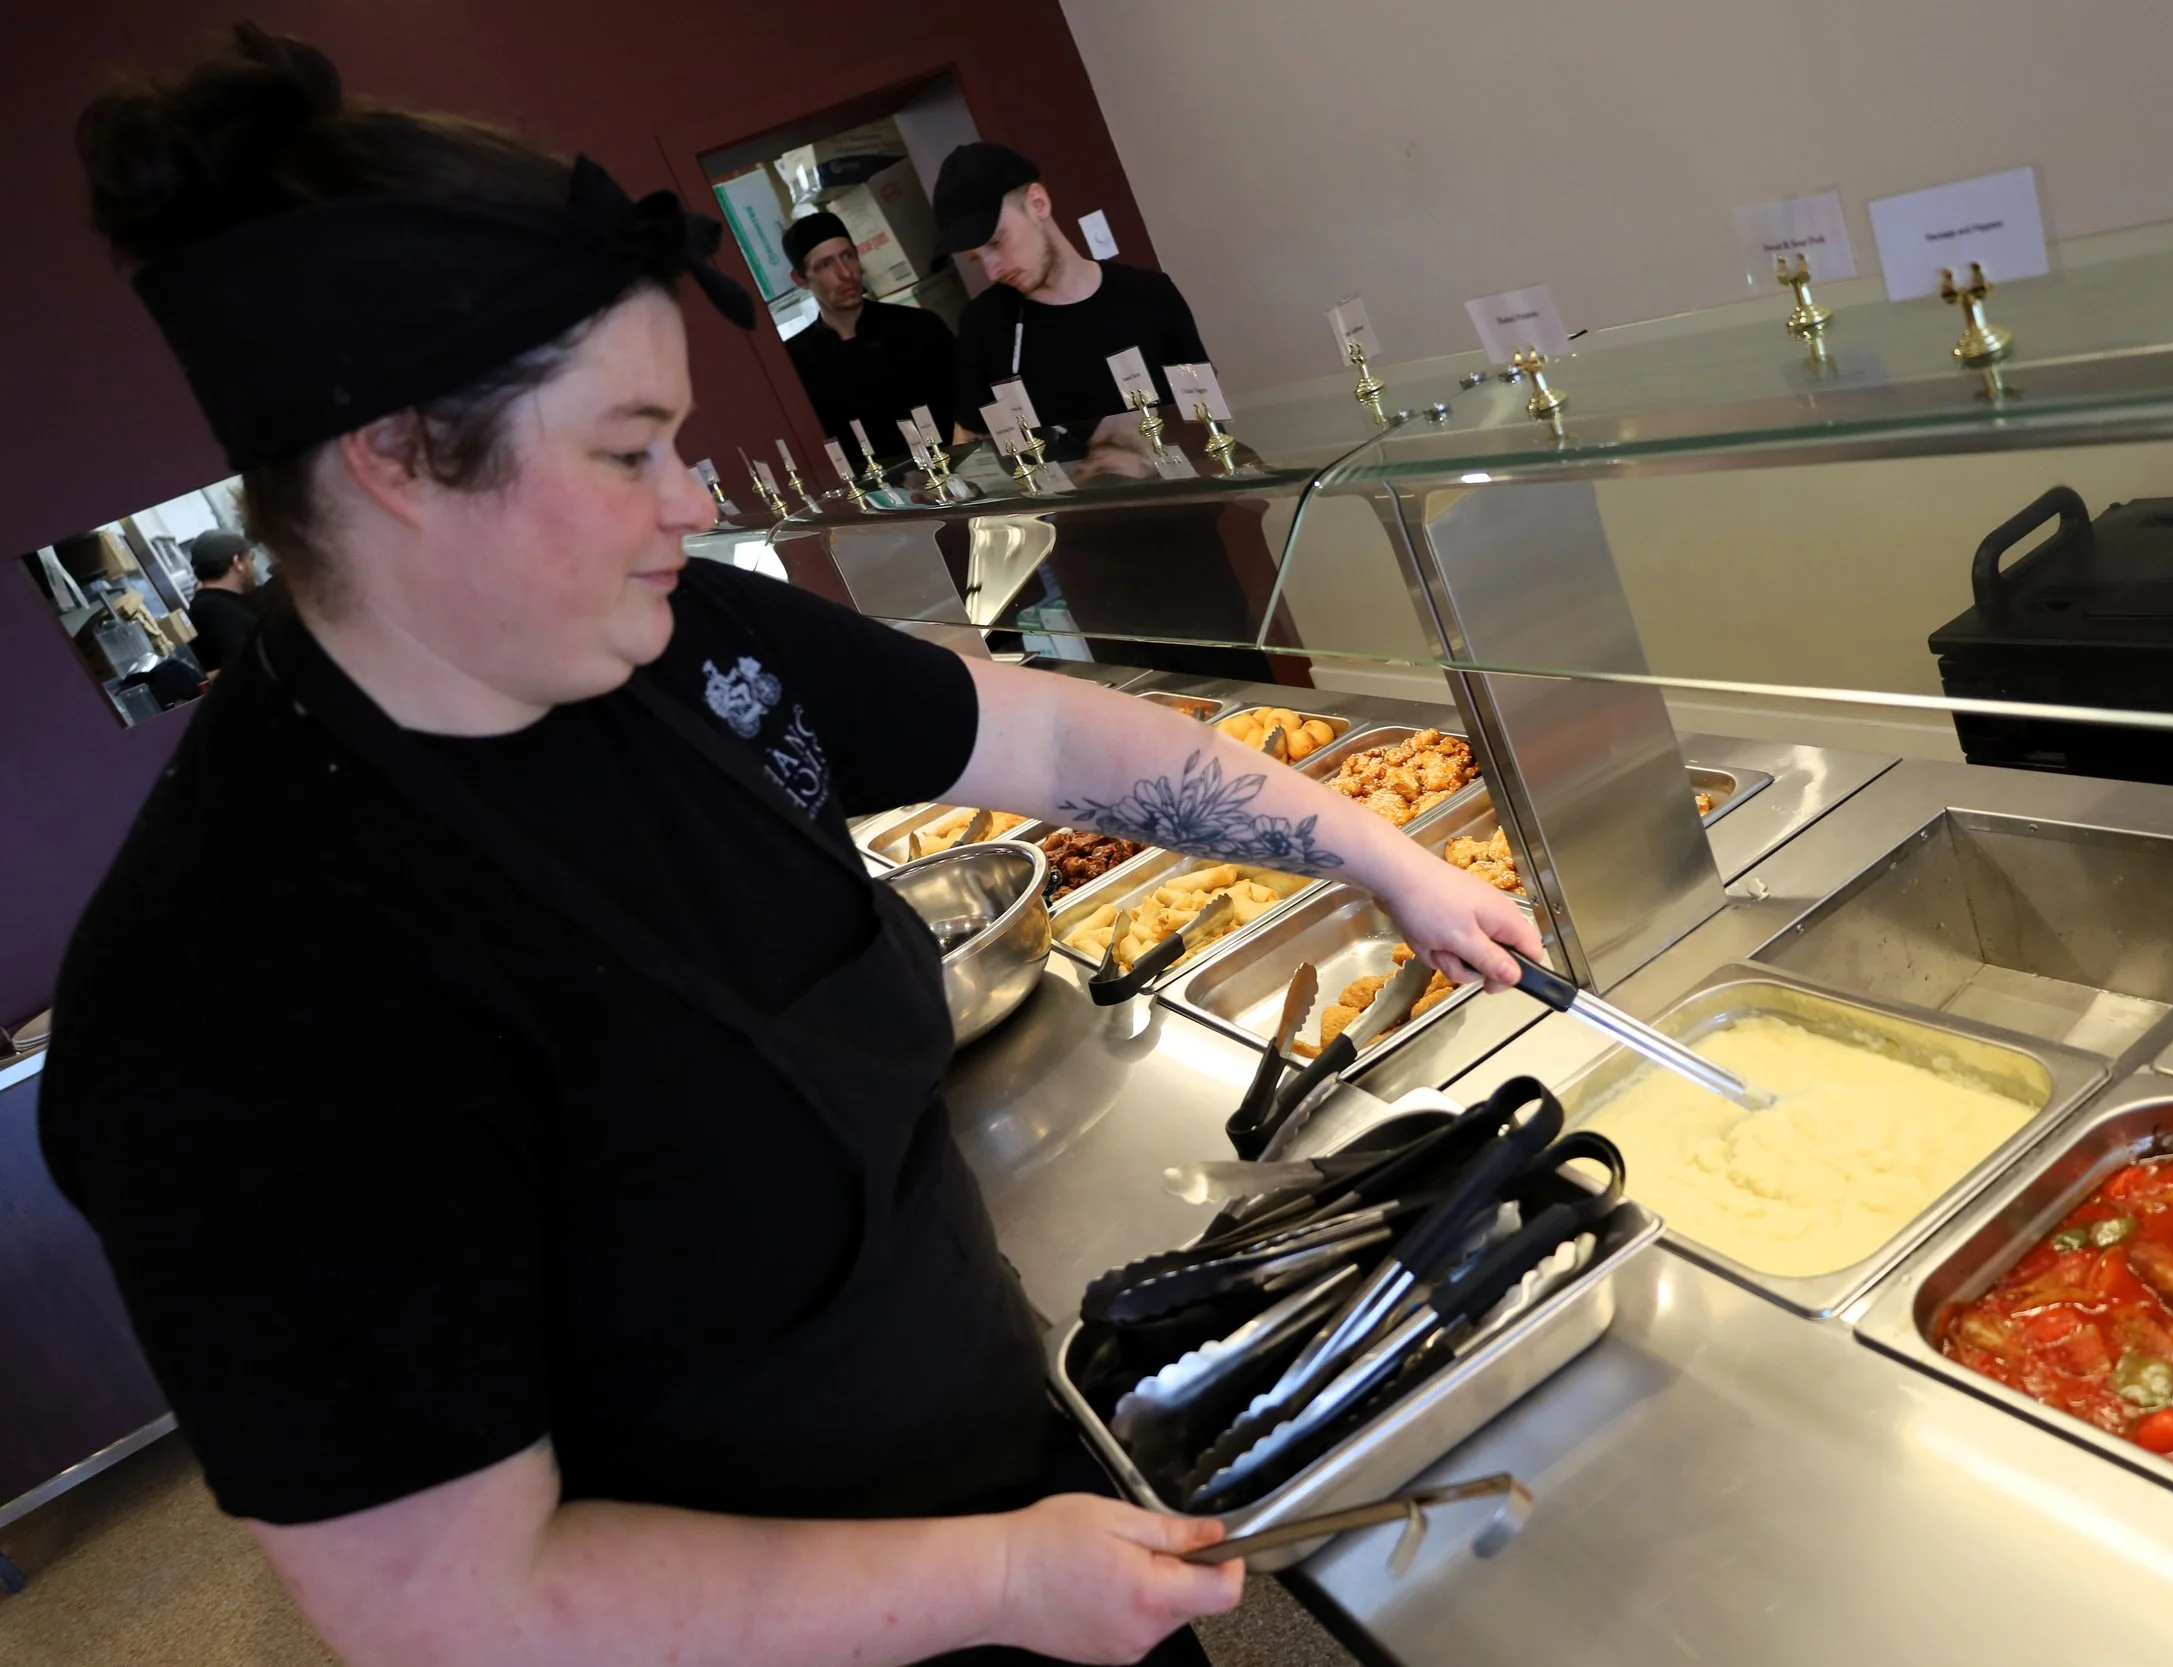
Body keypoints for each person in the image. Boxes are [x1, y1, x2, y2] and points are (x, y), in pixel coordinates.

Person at [41, 27, 1538, 1667]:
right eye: (627, 451)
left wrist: (1361, 848)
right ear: (393, 456)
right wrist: (995, 1585)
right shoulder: (231, 1002)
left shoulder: (674, 639)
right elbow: (457, 1608)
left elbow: (1025, 729)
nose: (690, 503)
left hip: (1022, 1493)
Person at [938, 143, 1207, 437]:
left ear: (1037, 204)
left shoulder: (1151, 294)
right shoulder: (983, 325)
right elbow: (970, 440)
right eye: (976, 259)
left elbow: (1204, 415)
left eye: (996, 243)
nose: (992, 271)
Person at [779, 210, 956, 471]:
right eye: (825, 264)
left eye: (848, 256)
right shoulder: (795, 361)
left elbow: (966, 412)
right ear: (801, 279)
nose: (845, 273)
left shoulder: (920, 327)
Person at [182, 528, 262, 673]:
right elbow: (247, 666)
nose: (252, 565)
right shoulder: (214, 610)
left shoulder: (216, 603)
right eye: (250, 557)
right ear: (237, 562)